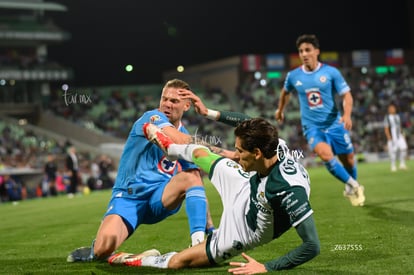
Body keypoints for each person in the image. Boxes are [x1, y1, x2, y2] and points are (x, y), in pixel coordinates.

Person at [108, 118, 320, 273]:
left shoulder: (288, 190)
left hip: (244, 230)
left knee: (178, 263)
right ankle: (171, 149)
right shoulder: (273, 144)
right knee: (200, 153)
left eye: (240, 151)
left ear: (256, 153)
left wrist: (267, 267)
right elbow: (245, 120)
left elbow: (312, 246)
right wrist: (211, 112)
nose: (236, 155)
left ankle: (131, 259)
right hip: (246, 187)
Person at [67, 79, 213, 262]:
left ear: (187, 105)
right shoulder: (151, 117)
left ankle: (198, 244)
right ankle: (122, 257)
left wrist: (211, 228)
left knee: (192, 175)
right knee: (103, 249)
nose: (167, 104)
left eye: (174, 101)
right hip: (129, 198)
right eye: (164, 99)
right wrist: (227, 155)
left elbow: (196, 181)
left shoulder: (184, 134)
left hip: (158, 199)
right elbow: (181, 141)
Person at [274, 34, 365, 206]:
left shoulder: (331, 72)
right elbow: (285, 92)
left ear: (317, 51)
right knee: (325, 155)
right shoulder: (294, 76)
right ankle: (355, 185)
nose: (304, 54)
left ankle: (350, 183)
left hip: (335, 123)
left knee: (350, 160)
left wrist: (347, 115)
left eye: (307, 50)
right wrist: (280, 110)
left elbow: (347, 95)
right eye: (301, 51)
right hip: (312, 127)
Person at [384, 102, 408, 172]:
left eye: (393, 108)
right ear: (388, 110)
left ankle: (402, 164)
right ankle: (393, 166)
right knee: (393, 151)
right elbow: (386, 128)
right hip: (392, 136)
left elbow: (399, 126)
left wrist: (402, 134)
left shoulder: (397, 116)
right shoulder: (387, 117)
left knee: (404, 148)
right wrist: (388, 137)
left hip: (399, 135)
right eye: (390, 108)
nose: (392, 109)